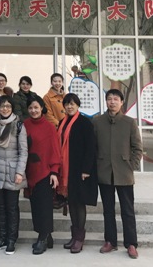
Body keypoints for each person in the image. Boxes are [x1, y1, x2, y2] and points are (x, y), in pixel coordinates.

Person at [93, 89, 143, 260]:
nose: (112, 102)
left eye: (115, 99)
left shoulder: (129, 122)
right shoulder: (97, 121)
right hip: (104, 172)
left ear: (121, 102)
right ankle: (110, 241)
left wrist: (131, 166)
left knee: (127, 210)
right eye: (109, 99)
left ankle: (131, 244)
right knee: (108, 210)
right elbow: (93, 147)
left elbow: (137, 148)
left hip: (124, 173)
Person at [0, 95, 28, 255]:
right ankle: (1, 237)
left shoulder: (18, 125)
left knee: (12, 207)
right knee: (0, 207)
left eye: (8, 106)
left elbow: (23, 151)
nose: (5, 109)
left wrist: (19, 172)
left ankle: (11, 240)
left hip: (12, 170)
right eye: (2, 106)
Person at [57, 93, 97, 254]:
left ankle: (79, 239)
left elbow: (91, 147)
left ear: (78, 105)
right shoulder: (62, 122)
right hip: (67, 170)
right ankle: (74, 237)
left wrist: (86, 169)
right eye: (67, 104)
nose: (69, 106)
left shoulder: (85, 123)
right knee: (72, 203)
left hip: (80, 171)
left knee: (79, 203)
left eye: (72, 104)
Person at [23, 95, 61, 255]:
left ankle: (43, 238)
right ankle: (46, 236)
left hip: (45, 172)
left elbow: (55, 150)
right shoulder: (24, 125)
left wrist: (54, 171)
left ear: (42, 108)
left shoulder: (49, 127)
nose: (33, 110)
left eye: (36, 107)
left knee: (44, 206)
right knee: (35, 206)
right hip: (30, 171)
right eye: (31, 108)